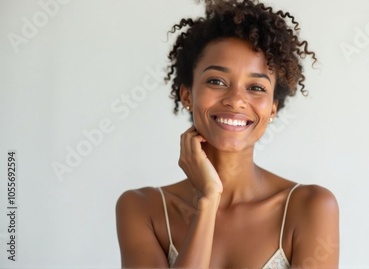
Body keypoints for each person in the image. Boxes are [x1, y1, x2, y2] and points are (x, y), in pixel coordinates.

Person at [115, 0, 339, 268]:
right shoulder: (142, 209)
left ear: (272, 108)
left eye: (256, 87)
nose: (236, 100)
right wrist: (208, 201)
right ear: (187, 94)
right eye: (217, 81)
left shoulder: (310, 208)